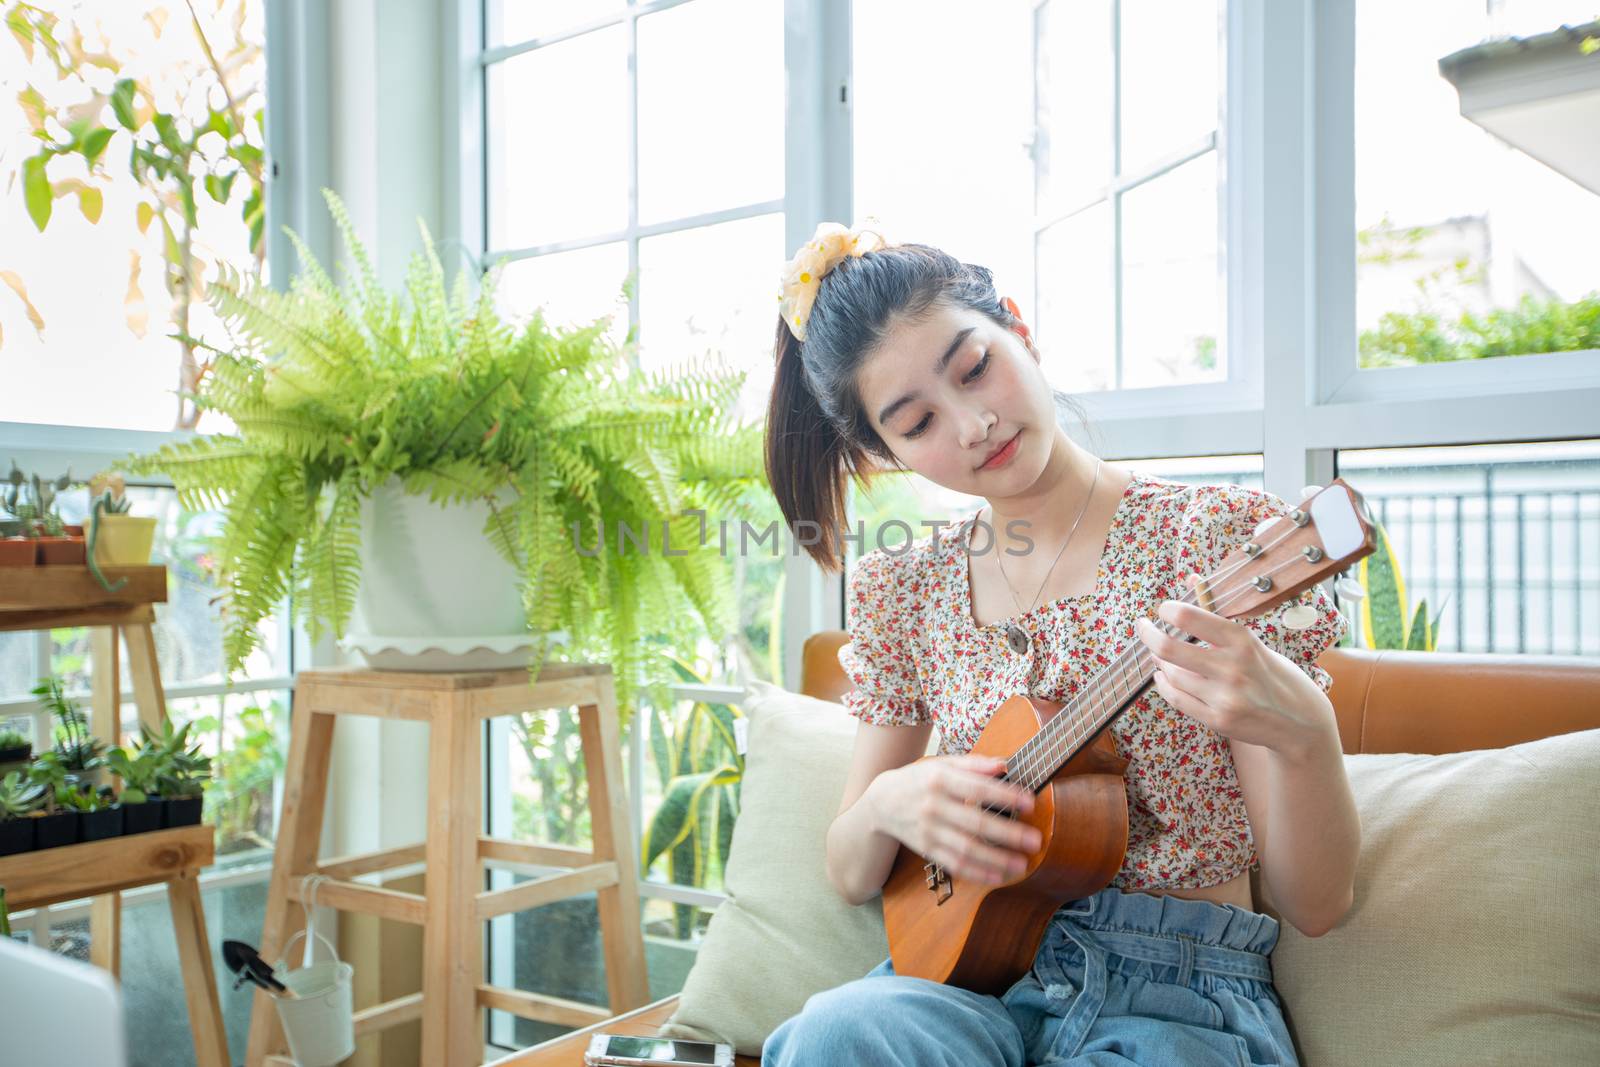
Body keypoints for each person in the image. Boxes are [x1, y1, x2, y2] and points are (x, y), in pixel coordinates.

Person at [758, 222, 1360, 1066]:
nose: (972, 423)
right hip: (966, 988)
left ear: (1019, 329)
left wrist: (1302, 728)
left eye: (975, 368)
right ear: (880, 451)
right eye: (917, 420)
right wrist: (892, 803)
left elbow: (1318, 901)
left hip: (1178, 996)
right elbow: (851, 868)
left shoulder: (1215, 541)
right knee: (834, 1031)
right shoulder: (911, 588)